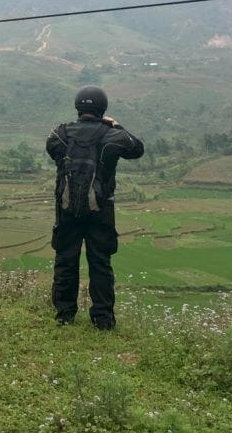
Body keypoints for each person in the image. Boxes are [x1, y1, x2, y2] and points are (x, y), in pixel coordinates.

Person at [46, 85, 143, 329]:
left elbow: (53, 151)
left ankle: (64, 315)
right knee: (100, 263)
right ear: (103, 108)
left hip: (66, 208)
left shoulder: (60, 134)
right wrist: (116, 125)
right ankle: (102, 320)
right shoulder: (112, 135)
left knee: (65, 260)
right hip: (101, 210)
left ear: (78, 107)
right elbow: (137, 149)